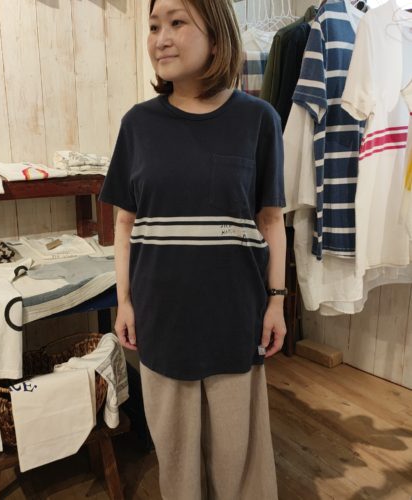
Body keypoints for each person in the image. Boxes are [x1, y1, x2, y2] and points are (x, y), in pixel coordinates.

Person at [99, 0, 286, 498]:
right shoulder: (138, 124)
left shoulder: (258, 119)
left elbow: (271, 220)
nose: (160, 38)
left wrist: (276, 301)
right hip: (162, 316)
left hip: (236, 315)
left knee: (238, 456)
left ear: (216, 35)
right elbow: (124, 224)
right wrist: (124, 301)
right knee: (176, 454)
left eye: (177, 22)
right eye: (153, 26)